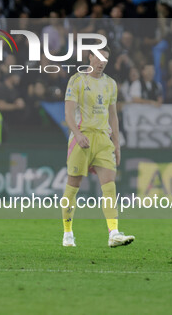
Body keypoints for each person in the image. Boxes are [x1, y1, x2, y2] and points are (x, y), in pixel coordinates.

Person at [62, 46, 134, 248]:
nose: (102, 62)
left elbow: (113, 115)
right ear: (90, 57)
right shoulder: (77, 80)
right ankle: (68, 233)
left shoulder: (110, 84)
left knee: (109, 187)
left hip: (103, 139)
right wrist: (77, 134)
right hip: (82, 138)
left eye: (106, 59)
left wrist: (117, 144)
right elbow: (68, 113)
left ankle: (114, 233)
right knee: (72, 188)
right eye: (99, 57)